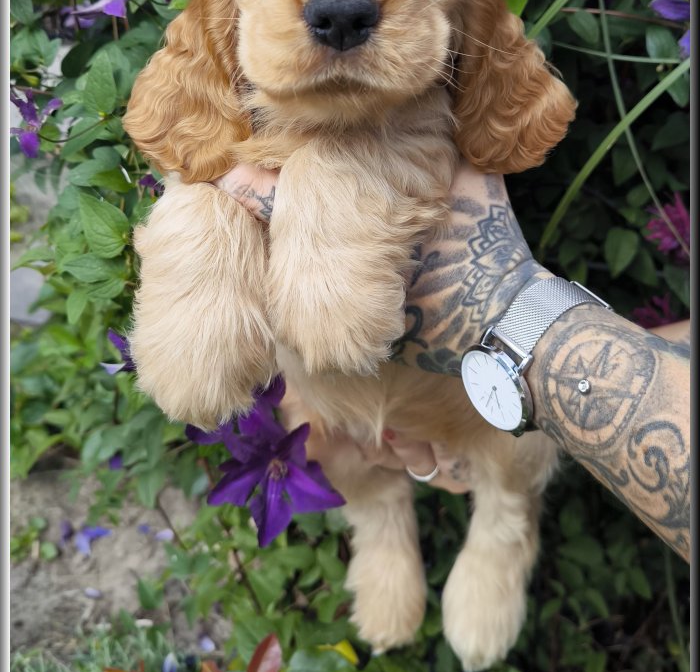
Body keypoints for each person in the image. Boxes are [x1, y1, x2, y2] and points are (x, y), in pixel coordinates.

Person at [214, 159, 690, 563]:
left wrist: (517, 318)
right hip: (347, 402)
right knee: (322, 439)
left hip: (474, 403)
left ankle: (502, 530)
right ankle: (381, 515)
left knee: (511, 461)